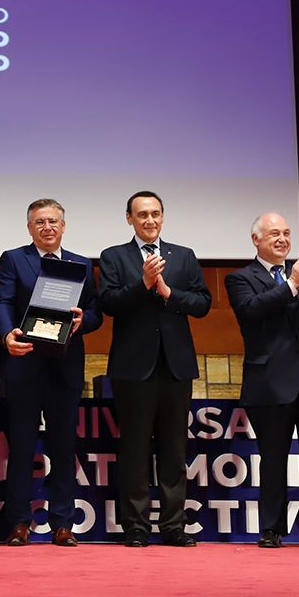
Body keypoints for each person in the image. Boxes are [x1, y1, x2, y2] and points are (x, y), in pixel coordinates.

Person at [225, 212, 299, 550]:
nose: (282, 239)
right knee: (273, 458)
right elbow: (252, 310)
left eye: (286, 233)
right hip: (271, 382)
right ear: (256, 240)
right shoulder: (240, 279)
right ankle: (272, 529)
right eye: (274, 233)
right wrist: (291, 284)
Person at [98, 191, 211, 547]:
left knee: (174, 450)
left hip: (175, 366)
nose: (149, 220)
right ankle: (135, 526)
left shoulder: (185, 256)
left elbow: (203, 304)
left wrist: (167, 291)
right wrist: (143, 285)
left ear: (163, 217)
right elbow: (109, 304)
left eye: (155, 214)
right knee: (133, 449)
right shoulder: (114, 256)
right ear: (129, 218)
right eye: (142, 214)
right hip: (133, 368)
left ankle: (174, 526)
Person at [0, 199, 101, 546]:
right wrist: (7, 333)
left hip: (64, 368)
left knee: (63, 447)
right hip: (24, 362)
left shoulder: (81, 264)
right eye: (40, 222)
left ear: (63, 226)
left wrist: (85, 320)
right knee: (22, 448)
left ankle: (63, 523)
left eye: (53, 221)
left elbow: (96, 310)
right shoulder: (14, 258)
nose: (47, 227)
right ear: (29, 228)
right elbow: (4, 301)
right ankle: (19, 524)